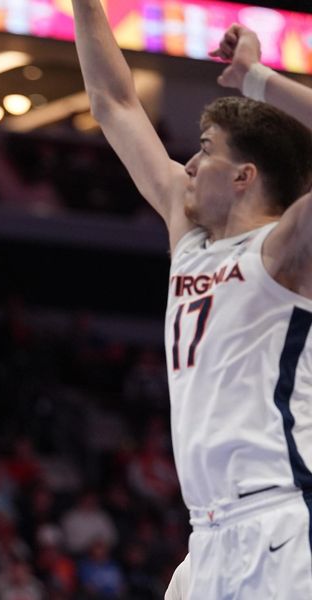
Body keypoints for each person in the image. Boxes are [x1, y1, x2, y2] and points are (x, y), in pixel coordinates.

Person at [70, 3, 312, 598]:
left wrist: (260, 80)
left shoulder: (287, 249)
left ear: (243, 176)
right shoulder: (190, 237)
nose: (191, 162)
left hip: (279, 521)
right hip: (204, 536)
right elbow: (113, 102)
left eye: (205, 149)